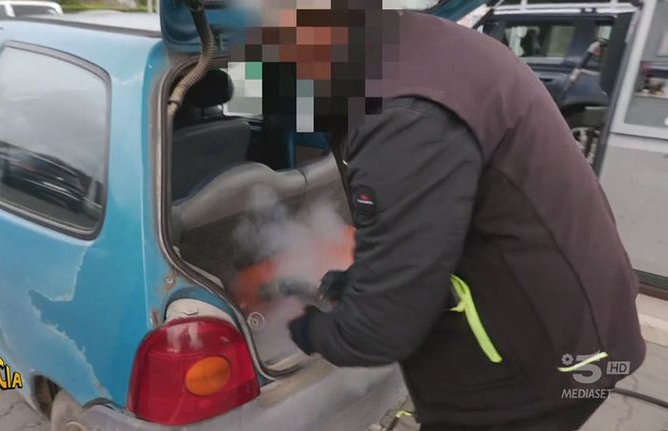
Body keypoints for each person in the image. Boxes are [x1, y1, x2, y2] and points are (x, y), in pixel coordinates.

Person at [242, 3, 649, 430]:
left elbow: (378, 332)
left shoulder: (402, 113)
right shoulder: (414, 49)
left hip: (541, 359)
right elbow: (430, 221)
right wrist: (363, 278)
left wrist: (307, 329)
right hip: (565, 319)